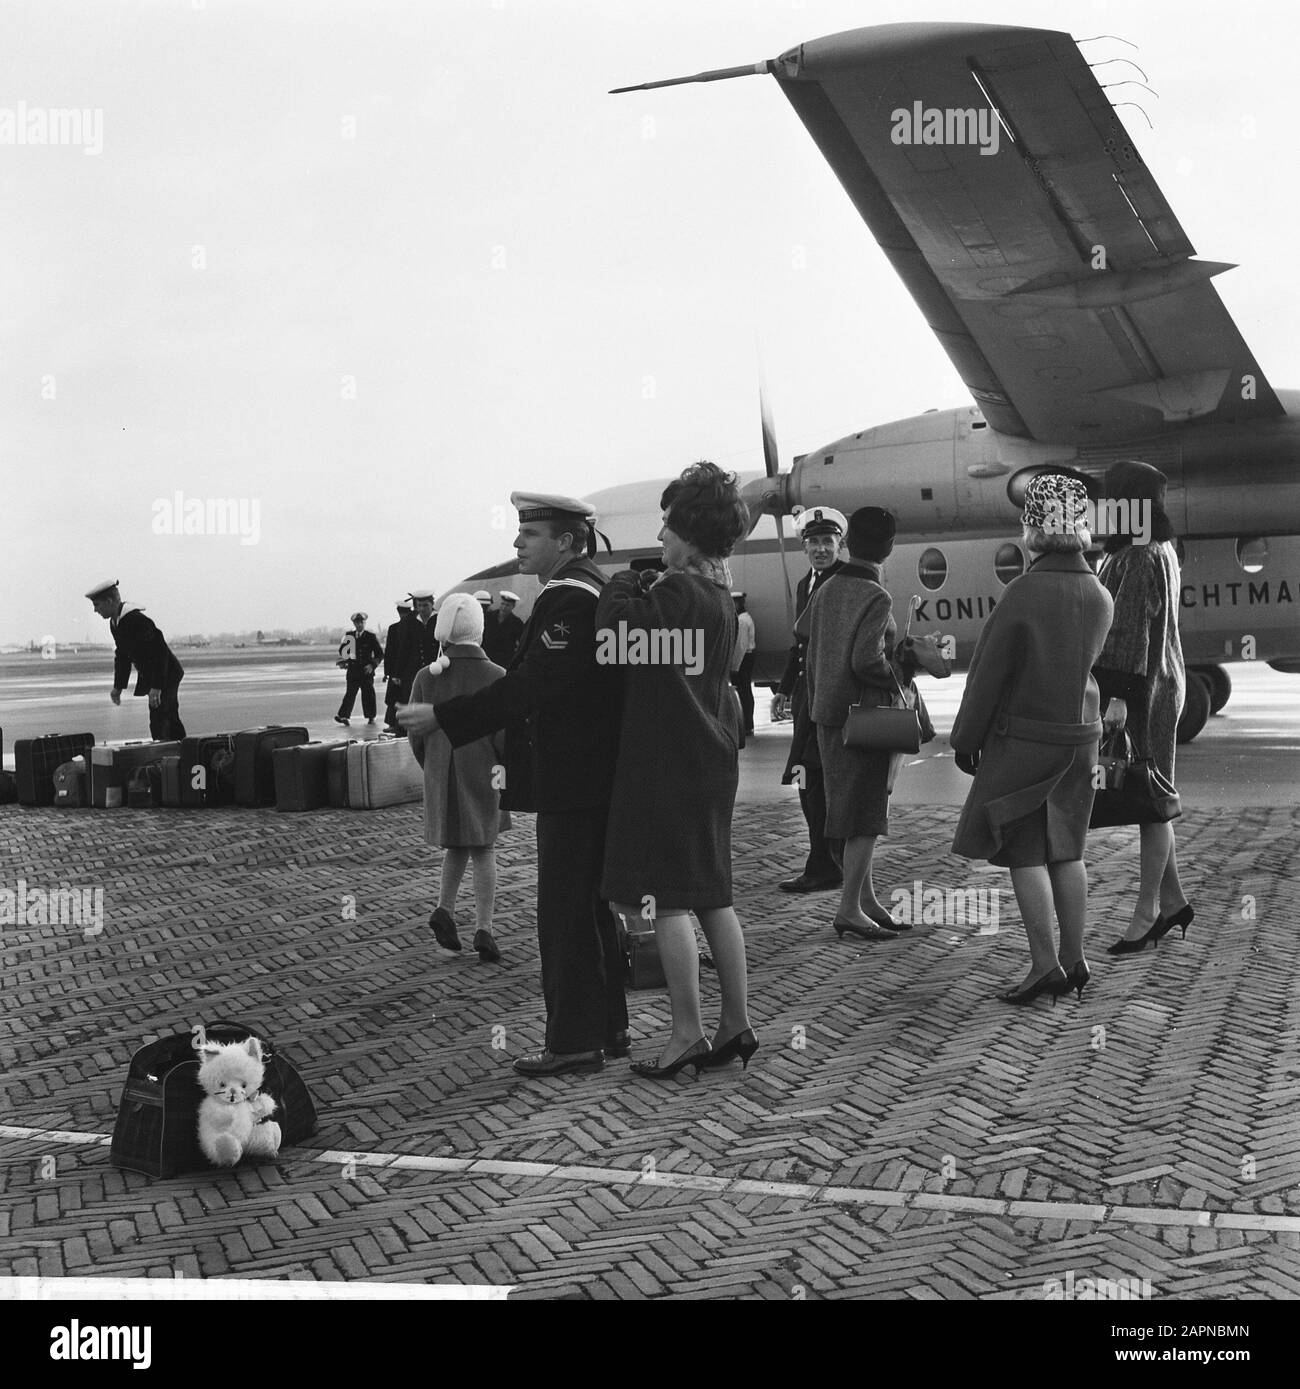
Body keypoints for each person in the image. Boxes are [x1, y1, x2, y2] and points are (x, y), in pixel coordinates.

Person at [398, 493, 627, 1077]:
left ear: (567, 543)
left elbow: (532, 687)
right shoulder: (578, 592)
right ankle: (606, 1029)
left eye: (531, 535)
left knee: (565, 913)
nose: (518, 545)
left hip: (573, 780)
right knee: (590, 908)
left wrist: (445, 717)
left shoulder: (571, 601)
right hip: (587, 776)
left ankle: (575, 1041)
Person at [599, 461, 756, 1079]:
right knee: (713, 896)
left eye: (667, 526)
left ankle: (685, 1032)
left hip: (670, 763)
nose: (660, 537)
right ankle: (735, 1022)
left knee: (662, 902)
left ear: (690, 532)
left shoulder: (678, 593)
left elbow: (613, 643)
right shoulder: (719, 595)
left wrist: (620, 584)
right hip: (711, 758)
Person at [950, 474, 1114, 1003]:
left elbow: (988, 674)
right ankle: (1074, 957)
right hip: (1081, 738)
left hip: (1027, 741)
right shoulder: (1099, 593)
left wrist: (965, 737)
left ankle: (1044, 966)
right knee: (1068, 849)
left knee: (1025, 851)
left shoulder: (1023, 592)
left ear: (1033, 529)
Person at [1094, 460, 1195, 954]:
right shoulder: (1161, 550)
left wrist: (1115, 700)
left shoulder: (1136, 556)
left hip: (1140, 690)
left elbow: (1128, 635)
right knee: (1152, 797)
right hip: (1160, 683)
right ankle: (1173, 902)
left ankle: (1146, 912)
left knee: (1153, 806)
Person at [800, 507, 912, 941]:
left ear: (848, 544)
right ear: (889, 548)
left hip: (826, 713)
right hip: (865, 715)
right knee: (866, 815)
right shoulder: (875, 595)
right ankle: (849, 908)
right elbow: (867, 660)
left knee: (846, 809)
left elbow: (806, 637)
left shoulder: (826, 588)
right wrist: (900, 668)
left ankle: (865, 900)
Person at [409, 594, 510, 964]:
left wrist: (433, 768)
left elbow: (415, 735)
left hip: (440, 770)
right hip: (485, 771)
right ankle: (485, 928)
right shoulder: (497, 676)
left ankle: (444, 908)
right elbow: (505, 736)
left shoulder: (425, 677)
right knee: (485, 848)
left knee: (456, 844)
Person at [774, 507, 847, 893]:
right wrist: (784, 688)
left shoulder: (846, 580)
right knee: (808, 780)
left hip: (829, 696)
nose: (821, 549)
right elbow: (800, 641)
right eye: (814, 542)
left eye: (827, 542)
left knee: (819, 780)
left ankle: (826, 865)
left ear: (840, 544)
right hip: (807, 695)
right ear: (805, 547)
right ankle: (826, 861)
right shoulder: (807, 583)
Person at [84, 580, 186, 739]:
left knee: (164, 716)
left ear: (109, 601)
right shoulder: (115, 622)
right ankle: (168, 750)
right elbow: (122, 655)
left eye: (97, 605)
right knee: (160, 717)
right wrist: (118, 686)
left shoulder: (135, 620)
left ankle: (176, 753)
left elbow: (160, 651)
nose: (95, 610)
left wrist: (157, 686)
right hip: (156, 675)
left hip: (167, 674)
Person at [397, 588, 441, 728]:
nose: (422, 609)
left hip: (435, 668)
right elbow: (403, 648)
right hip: (413, 669)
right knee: (414, 699)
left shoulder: (439, 619)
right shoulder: (409, 622)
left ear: (431, 604)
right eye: (419, 606)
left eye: (425, 605)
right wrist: (397, 673)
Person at [335, 612, 384, 727]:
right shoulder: (350, 636)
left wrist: (372, 665)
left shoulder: (370, 637)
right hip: (353, 671)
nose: (359, 624)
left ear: (364, 623)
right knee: (350, 694)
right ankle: (344, 716)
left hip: (366, 671)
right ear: (354, 623)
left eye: (361, 622)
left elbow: (380, 654)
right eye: (357, 622)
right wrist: (345, 660)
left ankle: (371, 716)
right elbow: (343, 652)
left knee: (368, 694)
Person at [382, 598, 414, 732]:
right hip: (409, 669)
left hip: (396, 669)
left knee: (394, 699)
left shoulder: (394, 628)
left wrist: (388, 673)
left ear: (399, 612)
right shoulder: (414, 627)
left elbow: (389, 653)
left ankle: (393, 724)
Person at [729, 591, 756, 738]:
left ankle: (745, 724)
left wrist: (734, 667)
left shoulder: (741, 621)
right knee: (746, 692)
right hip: (748, 657)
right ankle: (748, 724)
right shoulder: (746, 618)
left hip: (743, 659)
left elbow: (740, 646)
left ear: (737, 604)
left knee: (742, 693)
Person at [483, 590, 524, 667]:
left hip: (503, 662)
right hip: (486, 658)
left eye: (507, 605)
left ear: (513, 607)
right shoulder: (488, 617)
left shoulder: (517, 623)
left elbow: (521, 643)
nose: (504, 607)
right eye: (502, 604)